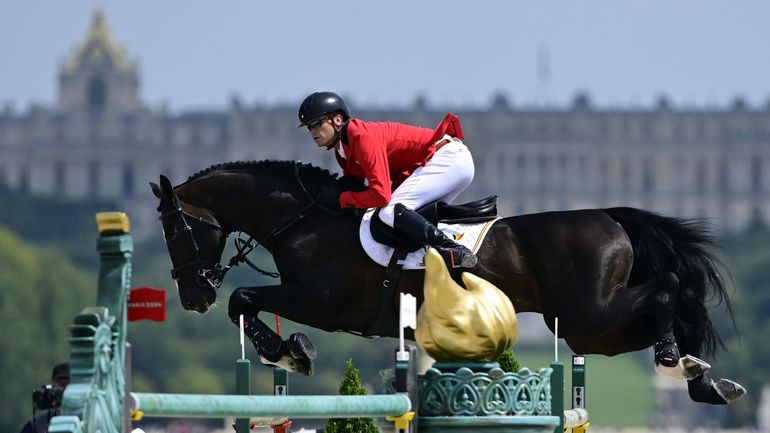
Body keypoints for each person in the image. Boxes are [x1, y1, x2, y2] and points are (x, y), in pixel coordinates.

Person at [298, 91, 477, 268]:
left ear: (337, 120)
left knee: (389, 211)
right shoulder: (342, 151)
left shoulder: (361, 137)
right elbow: (354, 186)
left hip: (447, 160)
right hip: (449, 163)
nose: (312, 131)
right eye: (308, 127)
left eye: (316, 123)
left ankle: (453, 249)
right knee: (402, 218)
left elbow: (380, 196)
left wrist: (339, 199)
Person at [19, 363, 70, 433]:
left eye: (69, 385)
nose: (64, 390)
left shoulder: (86, 422)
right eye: (62, 385)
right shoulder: (38, 425)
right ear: (52, 386)